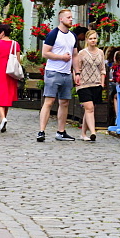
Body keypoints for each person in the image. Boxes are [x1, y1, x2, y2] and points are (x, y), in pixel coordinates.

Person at [38, 8, 80, 142]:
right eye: (68, 17)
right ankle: (41, 131)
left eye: (71, 17)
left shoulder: (73, 35)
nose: (71, 19)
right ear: (61, 19)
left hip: (67, 73)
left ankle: (61, 131)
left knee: (65, 102)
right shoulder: (53, 34)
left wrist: (77, 72)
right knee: (49, 101)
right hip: (53, 72)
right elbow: (45, 53)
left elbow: (75, 55)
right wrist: (61, 57)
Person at [76, 30, 105, 141]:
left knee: (90, 110)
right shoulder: (82, 53)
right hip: (83, 84)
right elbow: (77, 68)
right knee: (89, 108)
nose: (93, 40)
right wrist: (77, 78)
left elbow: (102, 69)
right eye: (91, 38)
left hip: (96, 83)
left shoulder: (100, 53)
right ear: (87, 40)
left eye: (95, 38)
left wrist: (102, 83)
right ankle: (93, 132)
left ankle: (83, 133)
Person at [0, 21, 20, 132]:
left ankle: (2, 118)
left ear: (2, 33)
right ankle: (3, 120)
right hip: (11, 73)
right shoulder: (15, 44)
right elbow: (18, 60)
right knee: (6, 99)